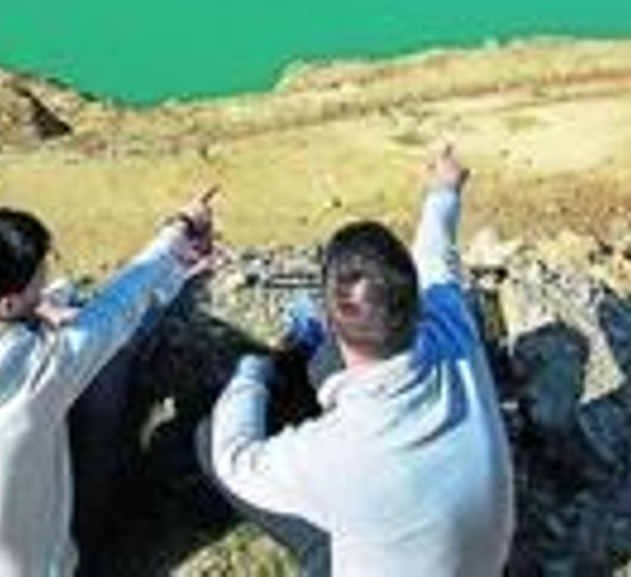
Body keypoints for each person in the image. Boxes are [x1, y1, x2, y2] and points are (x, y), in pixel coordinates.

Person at [203, 147, 515, 575]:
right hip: (483, 563)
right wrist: (445, 189)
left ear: (331, 318)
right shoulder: (453, 324)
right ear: (415, 297)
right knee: (323, 366)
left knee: (209, 437)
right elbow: (436, 254)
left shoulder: (333, 453)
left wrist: (250, 372)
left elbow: (236, 460)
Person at [0, 189, 218, 576]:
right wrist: (182, 228)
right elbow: (125, 299)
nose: (48, 277)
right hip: (47, 570)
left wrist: (37, 308)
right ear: (7, 304)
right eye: (41, 274)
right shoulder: (38, 370)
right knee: (121, 354)